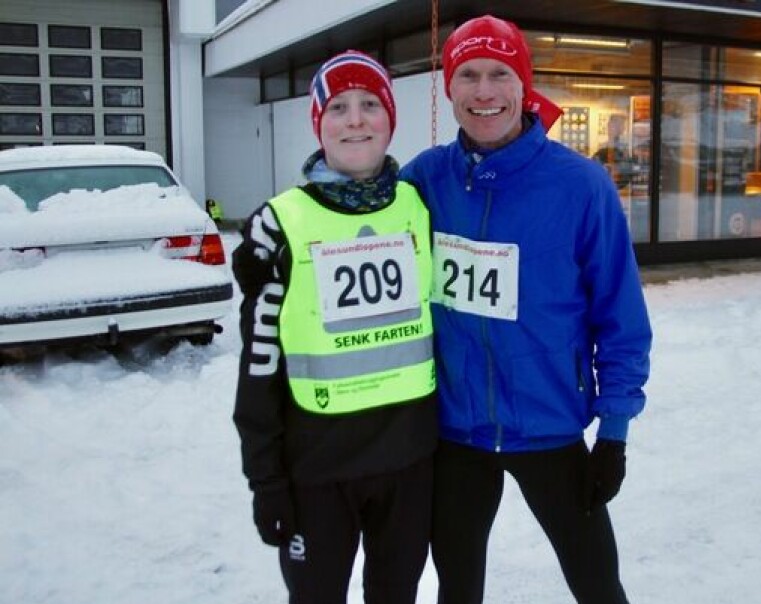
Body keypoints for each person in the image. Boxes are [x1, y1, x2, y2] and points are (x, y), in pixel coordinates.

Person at [400, 15, 653, 604]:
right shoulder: (424, 180)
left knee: (596, 584)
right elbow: (354, 221)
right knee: (456, 588)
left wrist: (613, 434)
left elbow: (621, 319)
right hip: (455, 433)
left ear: (523, 85)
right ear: (449, 88)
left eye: (498, 74)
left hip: (551, 428)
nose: (483, 91)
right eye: (468, 75)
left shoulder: (580, 186)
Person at [232, 50, 437, 604]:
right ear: (319, 124)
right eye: (338, 107)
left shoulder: (419, 206)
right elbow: (259, 364)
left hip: (409, 464)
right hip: (317, 472)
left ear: (390, 120)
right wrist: (266, 480)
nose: (355, 119)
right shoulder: (279, 224)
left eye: (370, 104)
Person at [592, 113, 633, 188]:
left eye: (621, 125)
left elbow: (627, 170)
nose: (622, 128)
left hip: (618, 186)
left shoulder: (624, 148)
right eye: (615, 124)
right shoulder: (603, 147)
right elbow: (595, 167)